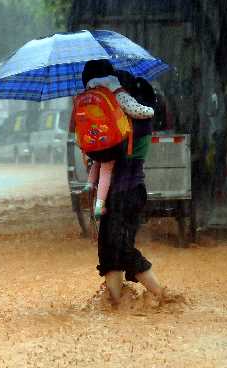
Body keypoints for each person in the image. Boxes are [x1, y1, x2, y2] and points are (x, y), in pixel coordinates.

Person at [83, 67, 173, 306]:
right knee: (108, 252)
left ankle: (163, 297)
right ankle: (115, 305)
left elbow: (115, 149)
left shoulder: (137, 122)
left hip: (128, 192)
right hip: (115, 196)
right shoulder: (115, 120)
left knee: (122, 248)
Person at [80, 60, 154, 219]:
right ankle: (99, 205)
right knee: (106, 169)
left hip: (93, 142)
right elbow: (136, 110)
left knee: (97, 162)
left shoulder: (87, 94)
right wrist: (150, 110)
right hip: (111, 143)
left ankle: (89, 184)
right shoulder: (117, 92)